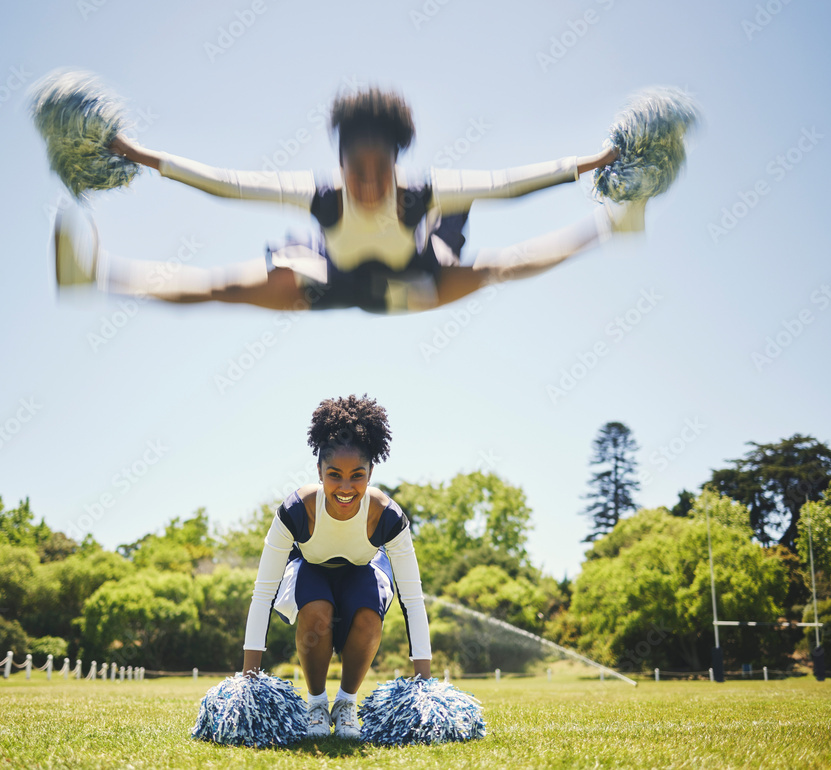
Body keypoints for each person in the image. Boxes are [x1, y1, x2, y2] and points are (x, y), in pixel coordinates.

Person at [54, 86, 643, 314]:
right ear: (339, 163)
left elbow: (514, 183)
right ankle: (95, 277)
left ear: (395, 163)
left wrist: (596, 163)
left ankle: (612, 225)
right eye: (354, 166)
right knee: (222, 287)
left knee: (499, 268)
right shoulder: (320, 197)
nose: (366, 179)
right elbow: (222, 184)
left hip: (411, 283)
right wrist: (134, 152)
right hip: (332, 278)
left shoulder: (425, 193)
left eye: (378, 167)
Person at [240, 394, 429, 739]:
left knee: (370, 616)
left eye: (357, 475)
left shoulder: (388, 516)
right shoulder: (297, 510)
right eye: (334, 475)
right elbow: (263, 592)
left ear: (371, 472)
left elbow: (412, 600)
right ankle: (315, 704)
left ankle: (345, 704)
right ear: (319, 471)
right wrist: (248, 681)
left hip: (363, 571)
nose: (345, 488)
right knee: (317, 611)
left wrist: (425, 685)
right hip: (310, 571)